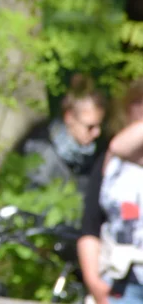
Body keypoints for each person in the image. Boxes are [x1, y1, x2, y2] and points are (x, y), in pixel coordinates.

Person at [79, 81, 143, 304]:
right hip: (121, 283)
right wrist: (94, 282)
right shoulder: (112, 161)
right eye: (136, 101)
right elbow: (90, 226)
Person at [22, 77, 107, 192]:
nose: (97, 133)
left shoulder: (92, 157)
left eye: (99, 126)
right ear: (69, 117)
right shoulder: (42, 154)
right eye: (90, 127)